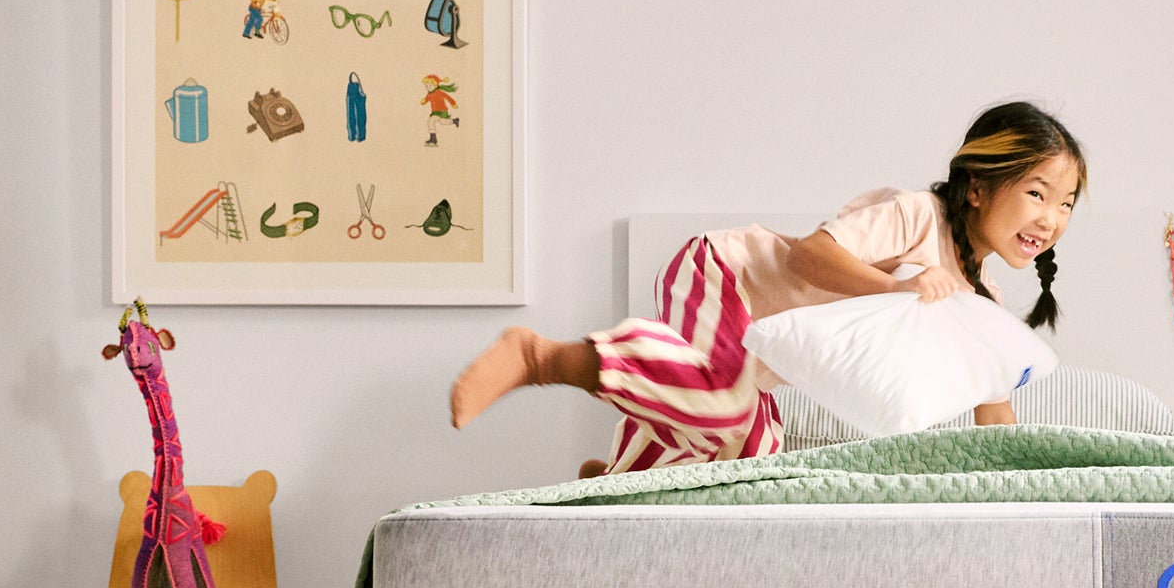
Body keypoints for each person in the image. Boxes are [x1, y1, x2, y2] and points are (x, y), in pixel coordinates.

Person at [448, 99, 1086, 475]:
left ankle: (611, 485)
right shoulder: (915, 215)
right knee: (723, 407)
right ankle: (540, 357)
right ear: (978, 186)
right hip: (728, 278)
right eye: (1037, 193)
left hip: (761, 354)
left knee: (750, 465)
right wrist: (898, 289)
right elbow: (812, 258)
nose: (1051, 218)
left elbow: (993, 414)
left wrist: (1019, 487)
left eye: (1067, 204)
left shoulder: (980, 307)